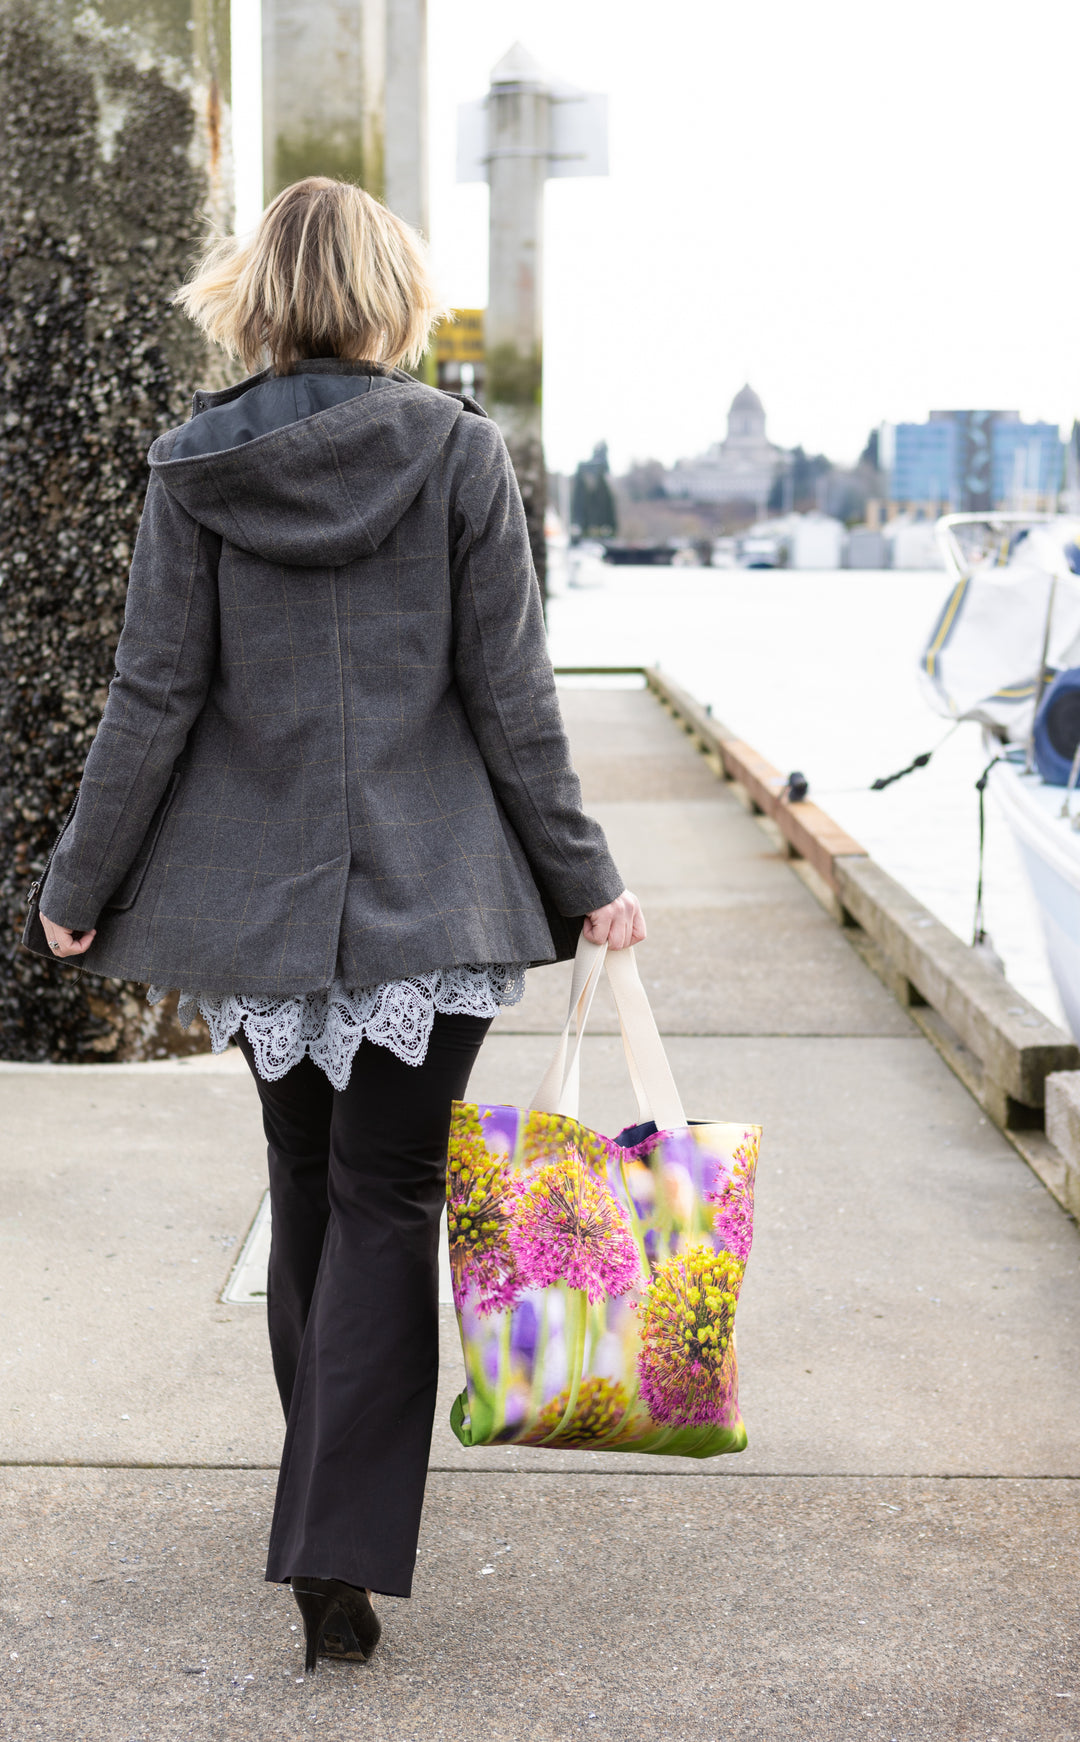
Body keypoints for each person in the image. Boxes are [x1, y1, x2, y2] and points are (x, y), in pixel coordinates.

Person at [29, 177, 645, 1672]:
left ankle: (327, 1518)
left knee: (307, 1183)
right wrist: (585, 875)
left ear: (254, 294)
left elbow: (154, 699)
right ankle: (336, 1535)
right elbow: (512, 699)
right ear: (388, 291)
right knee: (390, 1195)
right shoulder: (453, 452)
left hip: (262, 916)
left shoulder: (193, 469)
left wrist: (75, 882)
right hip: (430, 902)